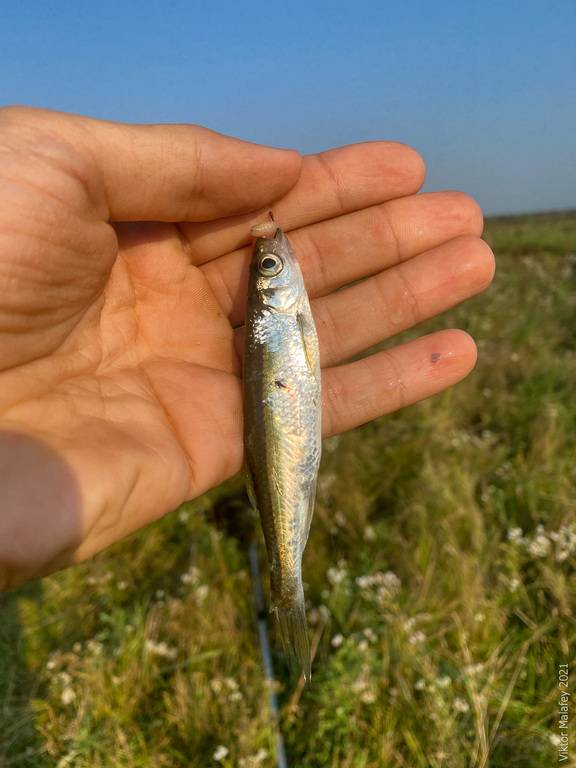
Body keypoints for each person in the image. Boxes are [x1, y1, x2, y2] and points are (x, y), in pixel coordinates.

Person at [0, 106, 494, 590]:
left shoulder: (276, 308)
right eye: (270, 270)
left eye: (269, 268)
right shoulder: (280, 308)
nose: (274, 260)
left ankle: (289, 581)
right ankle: (289, 583)